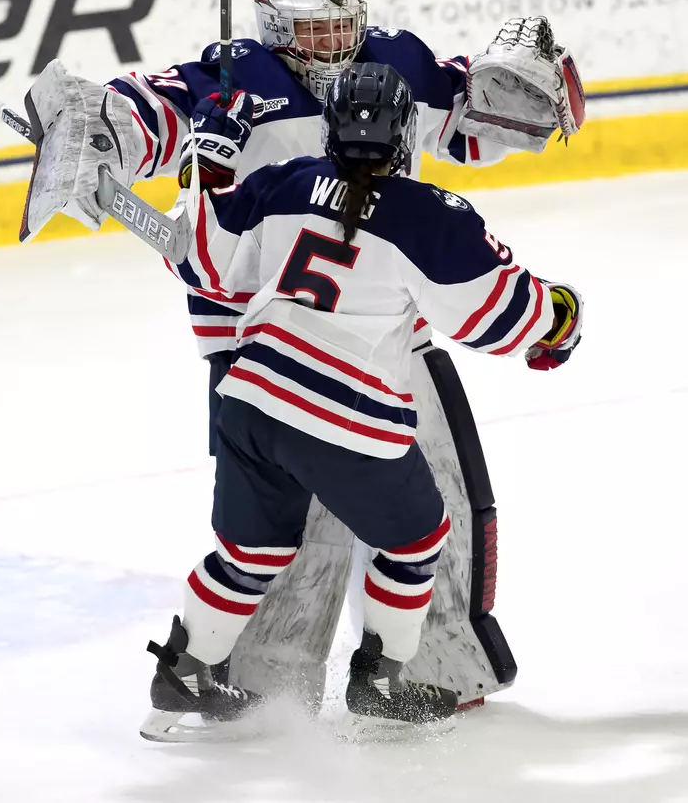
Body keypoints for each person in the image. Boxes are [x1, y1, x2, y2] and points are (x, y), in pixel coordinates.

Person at [19, 0, 585, 707]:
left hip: (380, 328)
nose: (336, 48)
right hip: (256, 334)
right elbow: (141, 112)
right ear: (277, 29)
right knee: (296, 532)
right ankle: (269, 686)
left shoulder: (392, 62)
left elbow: (472, 122)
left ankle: (432, 666)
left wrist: (520, 88)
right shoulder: (227, 79)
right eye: (317, 34)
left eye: (344, 29)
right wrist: (95, 123)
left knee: (439, 495)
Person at [137, 62, 582, 740]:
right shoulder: (431, 216)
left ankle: (182, 670)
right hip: (346, 420)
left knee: (251, 552)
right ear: (404, 133)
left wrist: (209, 160)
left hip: (250, 402)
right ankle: (379, 681)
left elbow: (198, 259)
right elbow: (498, 318)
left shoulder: (279, 184)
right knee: (417, 540)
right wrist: (558, 316)